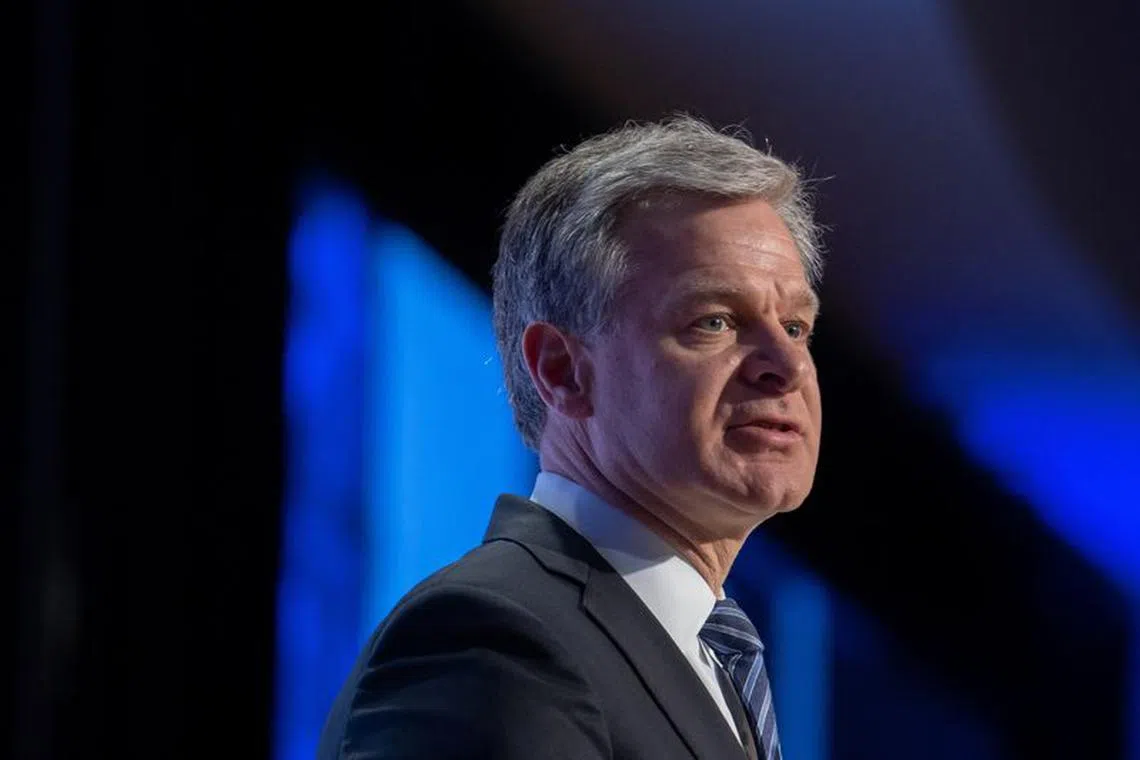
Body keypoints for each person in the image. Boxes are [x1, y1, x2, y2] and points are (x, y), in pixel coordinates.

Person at [318, 114, 824, 760]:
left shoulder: (702, 657)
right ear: (562, 370)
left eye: (797, 326)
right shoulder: (494, 641)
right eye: (715, 321)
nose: (786, 366)